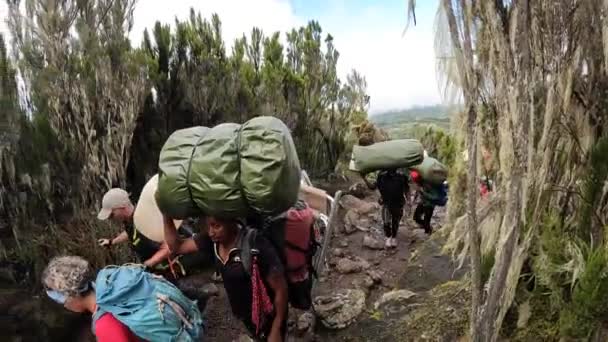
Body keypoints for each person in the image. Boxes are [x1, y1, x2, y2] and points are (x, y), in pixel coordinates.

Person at [163, 215, 289, 342]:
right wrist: (166, 216)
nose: (211, 232)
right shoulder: (212, 241)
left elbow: (281, 290)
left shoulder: (256, 245)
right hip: (246, 314)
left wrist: (276, 329)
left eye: (217, 226)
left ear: (232, 222)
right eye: (209, 226)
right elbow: (177, 246)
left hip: (269, 314)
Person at [96, 188, 190, 279]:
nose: (111, 219)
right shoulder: (130, 221)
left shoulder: (146, 219)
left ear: (122, 208)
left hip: (177, 266)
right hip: (156, 269)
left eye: (112, 215)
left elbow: (169, 247)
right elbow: (131, 233)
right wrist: (112, 242)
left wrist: (147, 265)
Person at [42, 256, 141, 342]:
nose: (64, 305)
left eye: (60, 300)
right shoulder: (112, 290)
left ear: (72, 294)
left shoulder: (105, 324)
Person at [364, 168, 409, 248]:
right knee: (386, 221)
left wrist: (408, 201)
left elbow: (406, 189)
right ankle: (388, 237)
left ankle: (394, 237)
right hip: (386, 203)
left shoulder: (401, 177)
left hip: (398, 203)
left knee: (395, 221)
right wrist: (363, 178)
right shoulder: (382, 177)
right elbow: (372, 187)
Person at [410, 170, 447, 235]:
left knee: (427, 221)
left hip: (430, 205)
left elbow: (434, 197)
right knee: (416, 217)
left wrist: (423, 192)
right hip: (423, 203)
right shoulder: (421, 184)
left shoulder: (430, 184)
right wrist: (414, 200)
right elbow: (418, 192)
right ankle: (428, 229)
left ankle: (428, 232)